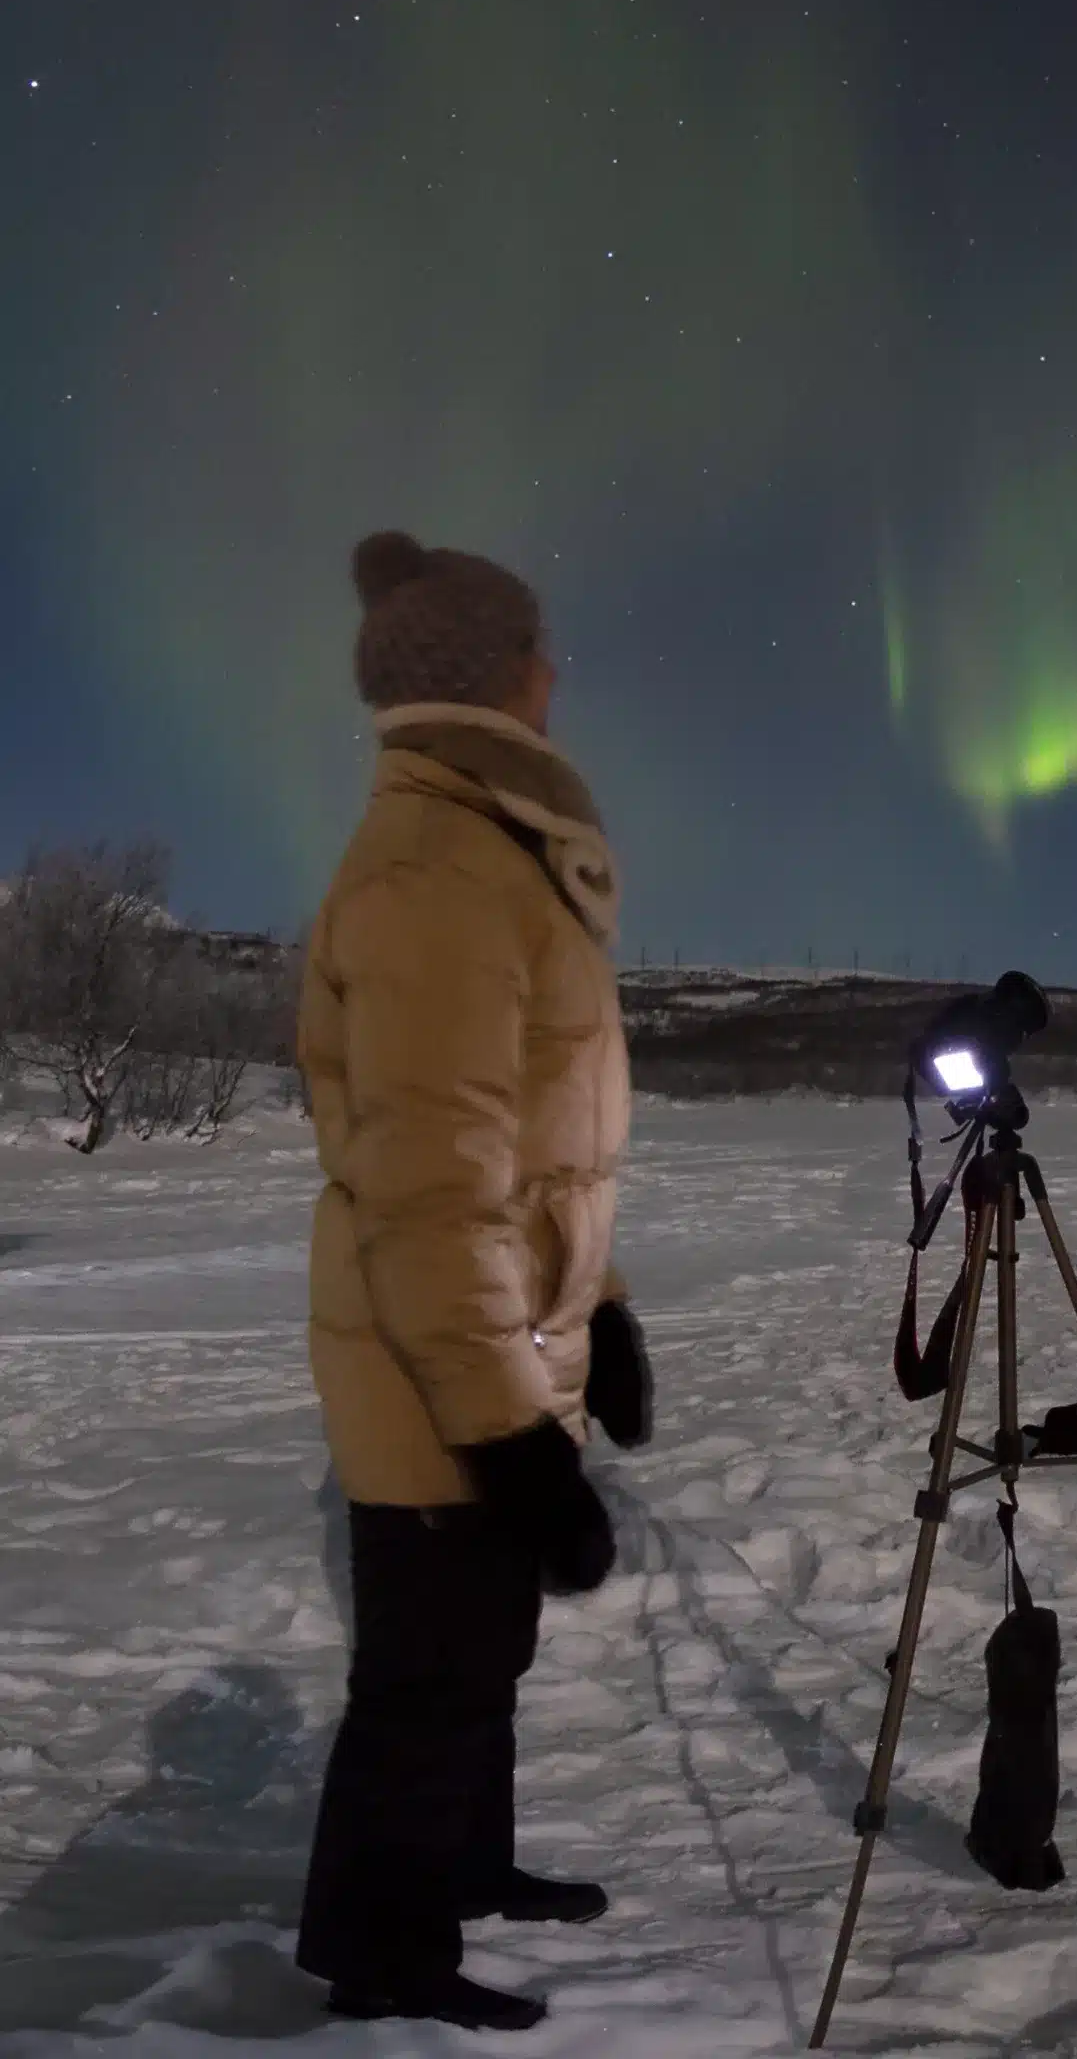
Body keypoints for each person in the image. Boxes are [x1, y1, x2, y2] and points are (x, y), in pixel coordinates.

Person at [293, 532, 652, 2034]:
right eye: (539, 647)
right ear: (489, 673)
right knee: (425, 1678)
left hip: (500, 1339)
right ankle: (383, 1958)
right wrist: (510, 1442)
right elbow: (435, 1192)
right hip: (439, 1369)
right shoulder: (439, 870)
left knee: (475, 1651)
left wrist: (607, 1304)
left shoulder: (485, 853)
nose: (556, 670)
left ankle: (469, 1867)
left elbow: (533, 1149)